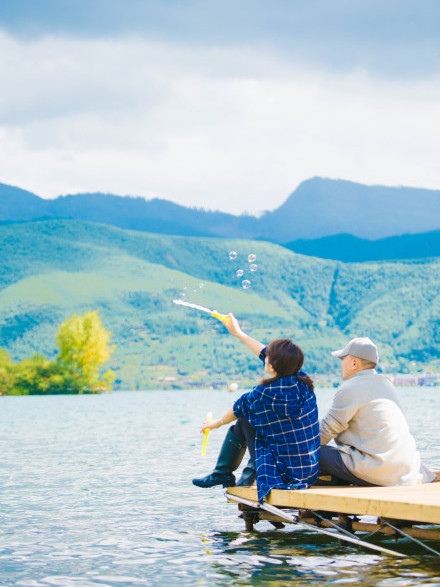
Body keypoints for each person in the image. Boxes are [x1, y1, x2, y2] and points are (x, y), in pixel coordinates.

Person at [193, 314, 320, 502]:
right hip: (308, 470)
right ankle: (234, 474)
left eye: (268, 356)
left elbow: (237, 408)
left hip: (284, 474)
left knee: (245, 417)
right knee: (257, 420)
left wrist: (216, 423)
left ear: (273, 364)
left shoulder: (263, 394)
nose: (265, 356)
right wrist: (239, 334)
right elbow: (265, 353)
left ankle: (223, 473)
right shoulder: (303, 382)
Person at [320, 337, 436, 486]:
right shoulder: (386, 385)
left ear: (354, 362)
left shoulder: (350, 388)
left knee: (313, 451)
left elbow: (325, 432)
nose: (341, 363)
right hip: (407, 469)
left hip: (380, 470)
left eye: (343, 358)